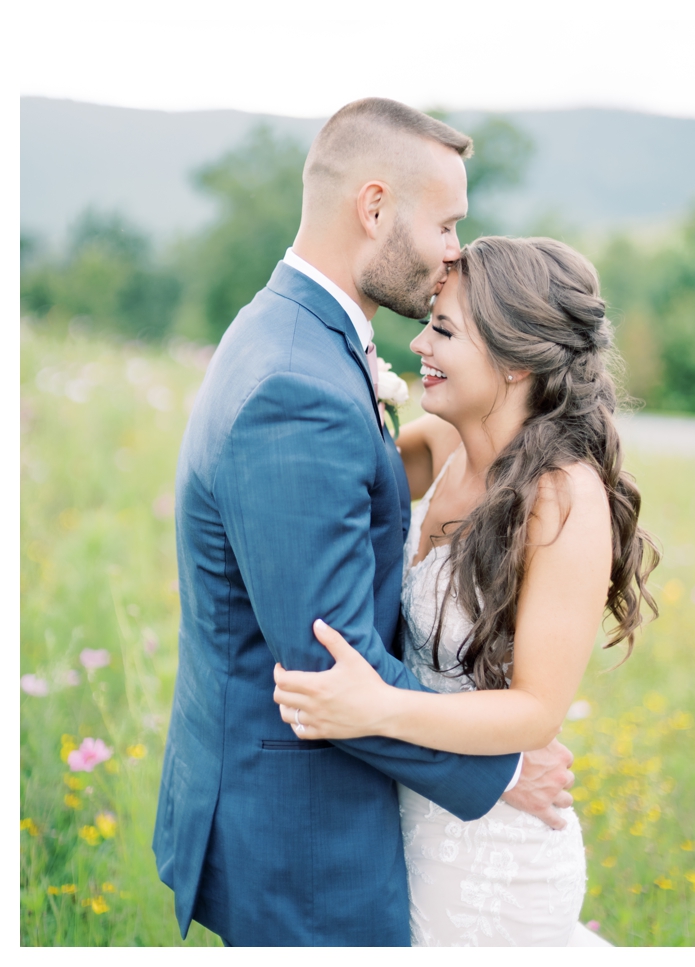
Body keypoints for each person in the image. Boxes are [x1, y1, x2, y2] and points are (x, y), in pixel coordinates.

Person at [153, 99, 574, 946]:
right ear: (375, 208)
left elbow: (382, 474)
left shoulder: (294, 333)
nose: (458, 247)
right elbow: (328, 665)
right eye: (448, 222)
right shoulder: (297, 385)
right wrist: (496, 770)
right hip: (304, 834)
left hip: (305, 805)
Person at [271, 234, 658, 945]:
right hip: (404, 820)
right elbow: (334, 474)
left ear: (514, 360)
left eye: (444, 329)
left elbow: (535, 712)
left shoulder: (563, 497)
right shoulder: (446, 445)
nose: (418, 343)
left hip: (493, 859)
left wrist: (373, 706)